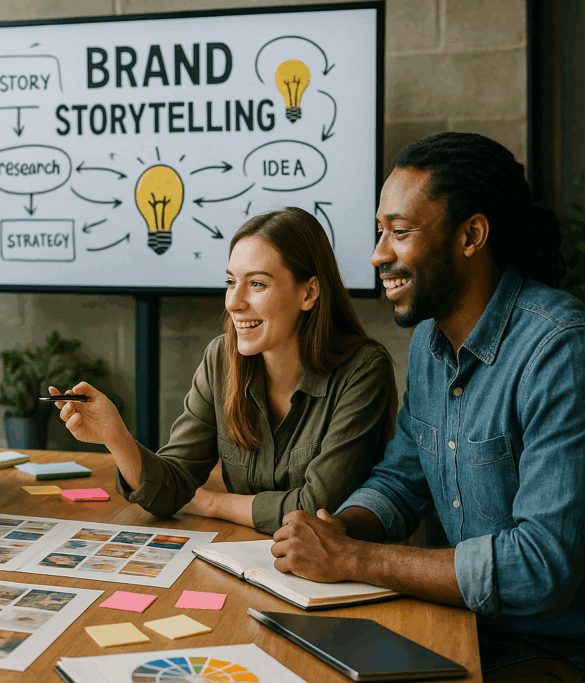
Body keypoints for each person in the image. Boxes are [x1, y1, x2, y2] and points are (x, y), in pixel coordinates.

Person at [271, 133, 585, 682]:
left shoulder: (561, 349)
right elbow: (401, 479)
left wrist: (355, 560)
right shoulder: (428, 345)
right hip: (453, 627)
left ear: (471, 235)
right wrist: (336, 531)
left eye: (401, 231)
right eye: (378, 232)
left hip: (547, 654)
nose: (378, 255)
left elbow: (540, 566)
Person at [50, 207, 398, 534]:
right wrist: (116, 436)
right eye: (231, 282)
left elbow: (317, 510)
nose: (233, 301)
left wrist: (213, 502)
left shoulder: (363, 371)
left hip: (332, 579)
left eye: (257, 284)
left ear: (308, 293)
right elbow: (170, 490)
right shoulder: (221, 358)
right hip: (243, 556)